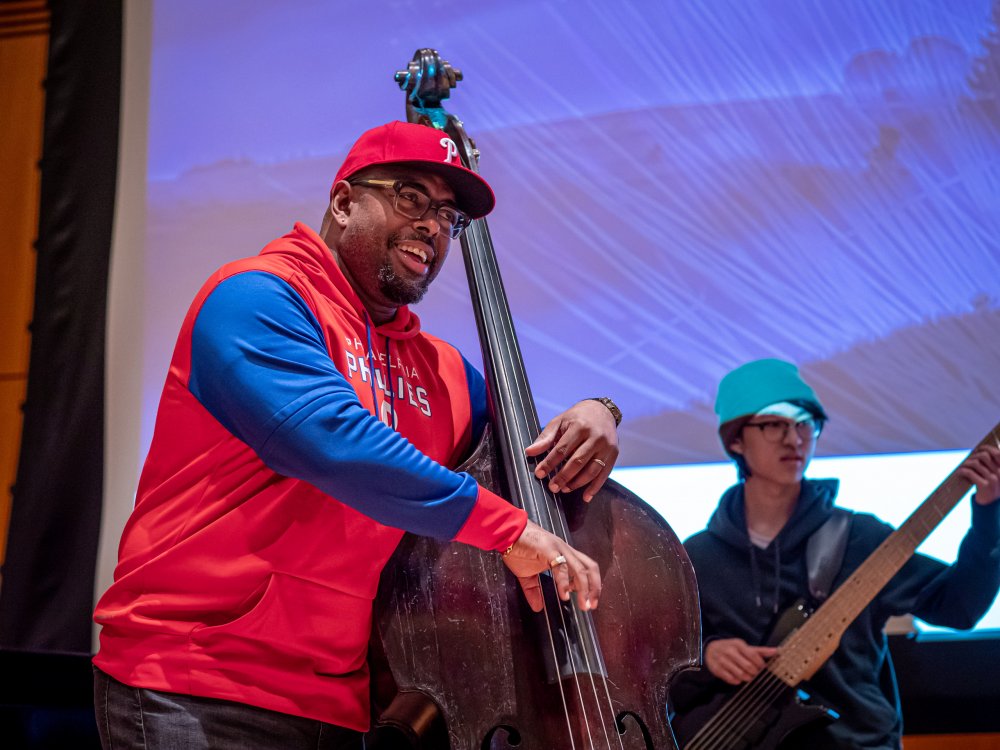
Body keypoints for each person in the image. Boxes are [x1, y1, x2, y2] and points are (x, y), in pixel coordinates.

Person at [92, 121, 623, 749]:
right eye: (410, 198)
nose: (432, 225)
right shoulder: (256, 298)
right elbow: (335, 444)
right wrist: (507, 530)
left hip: (342, 703)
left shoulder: (443, 370)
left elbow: (529, 453)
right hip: (197, 679)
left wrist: (599, 411)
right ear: (344, 203)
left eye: (448, 217)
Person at [670, 358, 1000, 749]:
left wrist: (988, 515)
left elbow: (958, 608)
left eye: (805, 424)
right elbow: (662, 665)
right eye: (774, 424)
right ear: (736, 440)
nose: (794, 439)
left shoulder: (861, 538)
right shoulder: (698, 555)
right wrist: (708, 654)